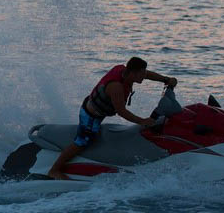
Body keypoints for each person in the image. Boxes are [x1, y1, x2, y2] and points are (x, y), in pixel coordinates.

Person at [47, 57, 178, 180]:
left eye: (144, 73)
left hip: (99, 111)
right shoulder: (116, 87)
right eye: (141, 74)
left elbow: (148, 74)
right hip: (91, 115)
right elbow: (121, 111)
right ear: (132, 73)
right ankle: (54, 170)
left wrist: (165, 79)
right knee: (82, 142)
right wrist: (142, 121)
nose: (144, 76)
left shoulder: (126, 72)